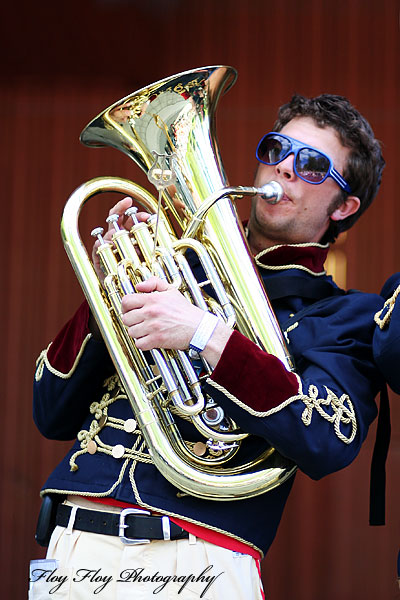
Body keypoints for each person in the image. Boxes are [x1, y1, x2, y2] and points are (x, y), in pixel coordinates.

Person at [32, 93, 385, 599]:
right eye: (276, 148)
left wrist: (205, 333)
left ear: (343, 205)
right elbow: (49, 412)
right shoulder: (177, 265)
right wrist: (109, 286)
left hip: (199, 558)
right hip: (73, 545)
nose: (284, 166)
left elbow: (327, 438)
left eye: (311, 165)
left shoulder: (345, 317)